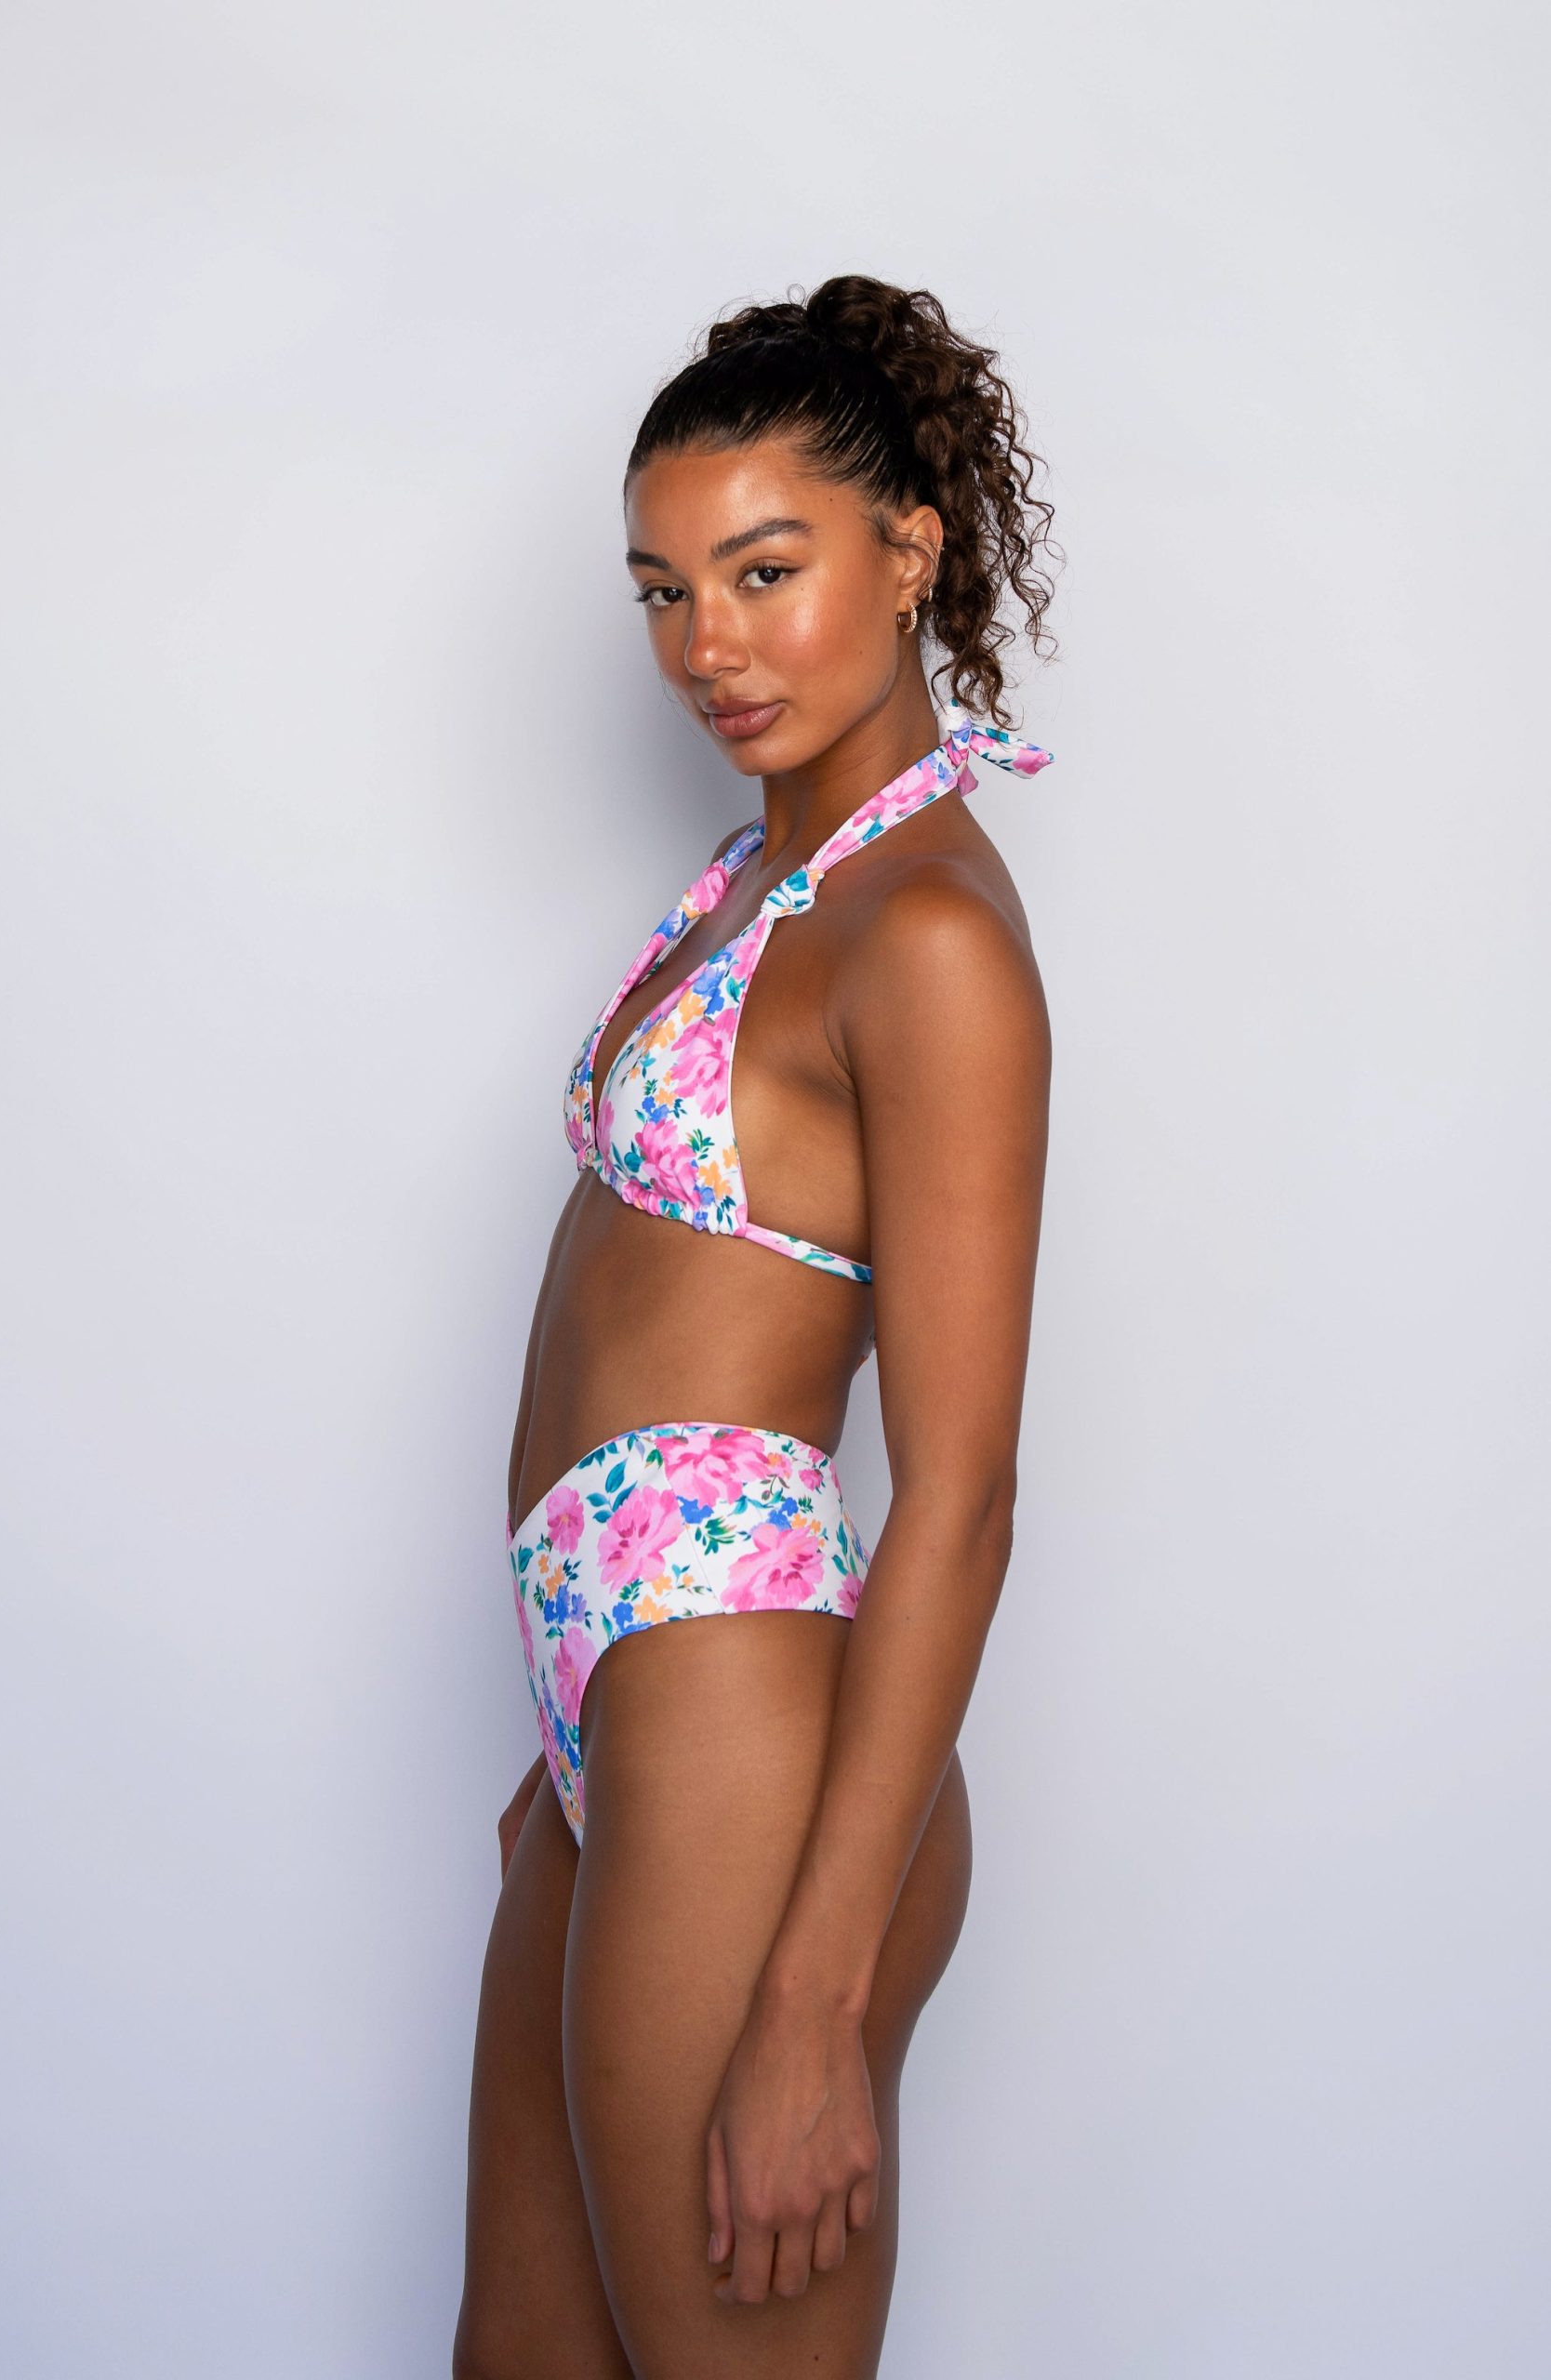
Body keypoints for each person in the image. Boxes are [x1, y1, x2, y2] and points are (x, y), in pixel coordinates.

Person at [454, 271, 1058, 2379]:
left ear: (908, 555)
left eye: (763, 572)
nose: (706, 643)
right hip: (624, 1709)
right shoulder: (758, 874)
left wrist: (809, 1998)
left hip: (743, 1719)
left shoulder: (929, 934)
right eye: (664, 590)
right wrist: (569, 1739)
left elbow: (961, 1495)